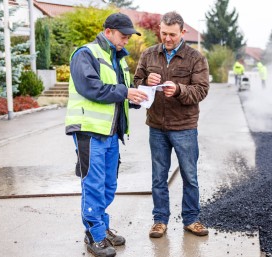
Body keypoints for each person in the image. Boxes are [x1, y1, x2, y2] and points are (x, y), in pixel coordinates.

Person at [65, 13, 148, 257]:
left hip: (111, 133)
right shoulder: (86, 54)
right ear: (108, 31)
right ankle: (94, 235)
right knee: (93, 184)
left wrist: (138, 95)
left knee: (108, 185)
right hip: (90, 131)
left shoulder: (118, 59)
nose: (126, 41)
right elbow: (91, 88)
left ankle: (102, 226)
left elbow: (120, 94)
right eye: (123, 36)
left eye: (128, 36)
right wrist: (125, 93)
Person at [133, 11, 210, 239]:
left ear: (182, 32)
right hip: (156, 127)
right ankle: (159, 221)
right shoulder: (148, 55)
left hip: (185, 127)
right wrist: (145, 81)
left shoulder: (195, 58)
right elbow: (136, 82)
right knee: (158, 176)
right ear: (160, 30)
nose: (167, 38)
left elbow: (201, 90)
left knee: (190, 176)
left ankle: (192, 219)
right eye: (164, 33)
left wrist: (178, 90)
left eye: (172, 35)